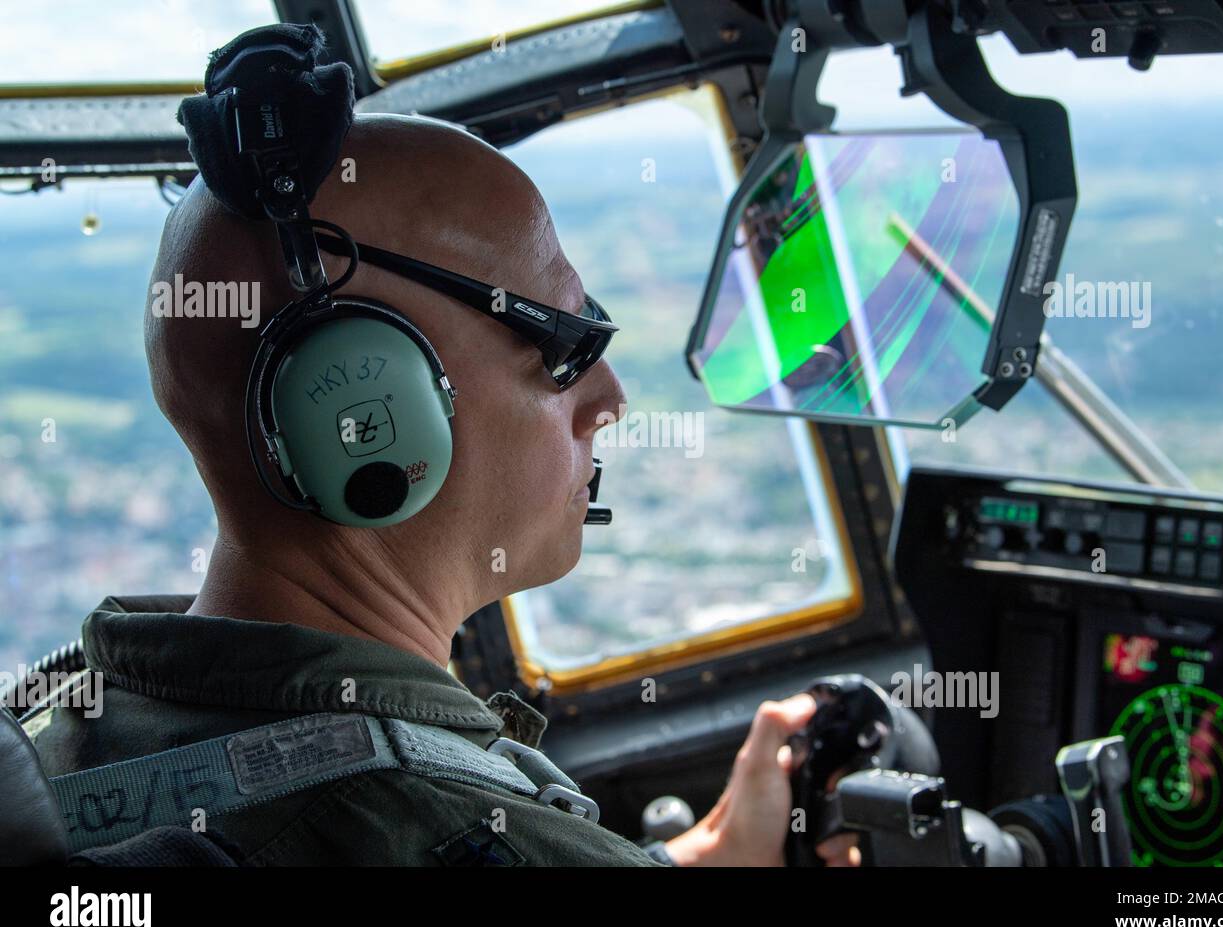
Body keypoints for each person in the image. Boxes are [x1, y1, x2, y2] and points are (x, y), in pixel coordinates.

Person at [25, 112, 860, 867]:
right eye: (564, 346)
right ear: (363, 413)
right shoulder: (441, 823)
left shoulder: (62, 724)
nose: (609, 399)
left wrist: (709, 853)